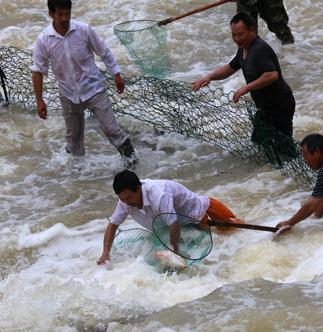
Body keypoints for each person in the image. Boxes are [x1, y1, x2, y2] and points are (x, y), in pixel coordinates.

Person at [31, 0, 137, 168]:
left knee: (111, 129)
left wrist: (116, 74)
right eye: (60, 14)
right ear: (51, 14)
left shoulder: (84, 30)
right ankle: (79, 177)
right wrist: (39, 100)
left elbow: (104, 51)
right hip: (68, 94)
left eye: (67, 13)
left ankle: (132, 162)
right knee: (74, 139)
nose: (65, 18)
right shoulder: (44, 40)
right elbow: (37, 71)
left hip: (94, 88)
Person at [192, 12, 296, 159]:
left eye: (240, 35)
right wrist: (209, 77)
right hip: (265, 107)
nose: (236, 39)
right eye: (233, 35)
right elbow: (230, 68)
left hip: (280, 105)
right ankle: (268, 174)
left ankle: (291, 175)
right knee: (259, 141)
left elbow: (272, 75)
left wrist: (246, 88)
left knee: (284, 148)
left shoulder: (259, 49)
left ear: (252, 29)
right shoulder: (243, 48)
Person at [97, 170, 244, 264]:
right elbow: (113, 225)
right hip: (176, 224)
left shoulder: (159, 195)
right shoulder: (124, 202)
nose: (126, 202)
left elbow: (174, 224)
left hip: (198, 210)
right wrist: (105, 253)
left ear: (138, 188)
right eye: (122, 199)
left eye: (129, 197)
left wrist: (174, 250)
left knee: (234, 230)